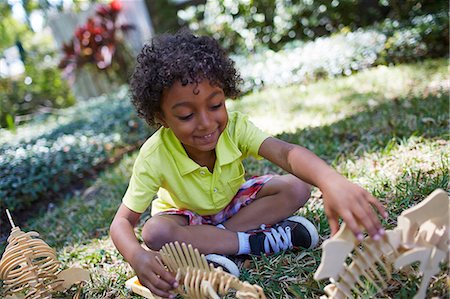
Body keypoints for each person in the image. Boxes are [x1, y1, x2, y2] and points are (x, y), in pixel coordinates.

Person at [110, 30, 387, 298]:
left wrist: (331, 181)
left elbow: (285, 153)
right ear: (160, 116)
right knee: (155, 232)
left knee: (297, 188)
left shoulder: (235, 128)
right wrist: (137, 256)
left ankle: (215, 248)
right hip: (186, 220)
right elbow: (122, 222)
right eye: (185, 115)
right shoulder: (154, 155)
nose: (206, 123)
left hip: (233, 209)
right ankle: (253, 242)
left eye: (216, 105)